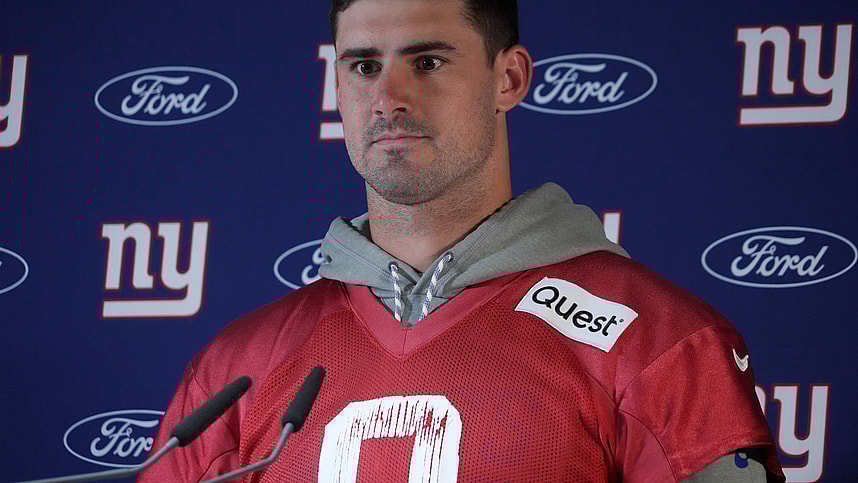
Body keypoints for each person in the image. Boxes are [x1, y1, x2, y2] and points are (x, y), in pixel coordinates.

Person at [140, 0, 785, 481]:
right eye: (364, 65)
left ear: (508, 79)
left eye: (427, 62)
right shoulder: (236, 367)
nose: (389, 98)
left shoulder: (659, 343)